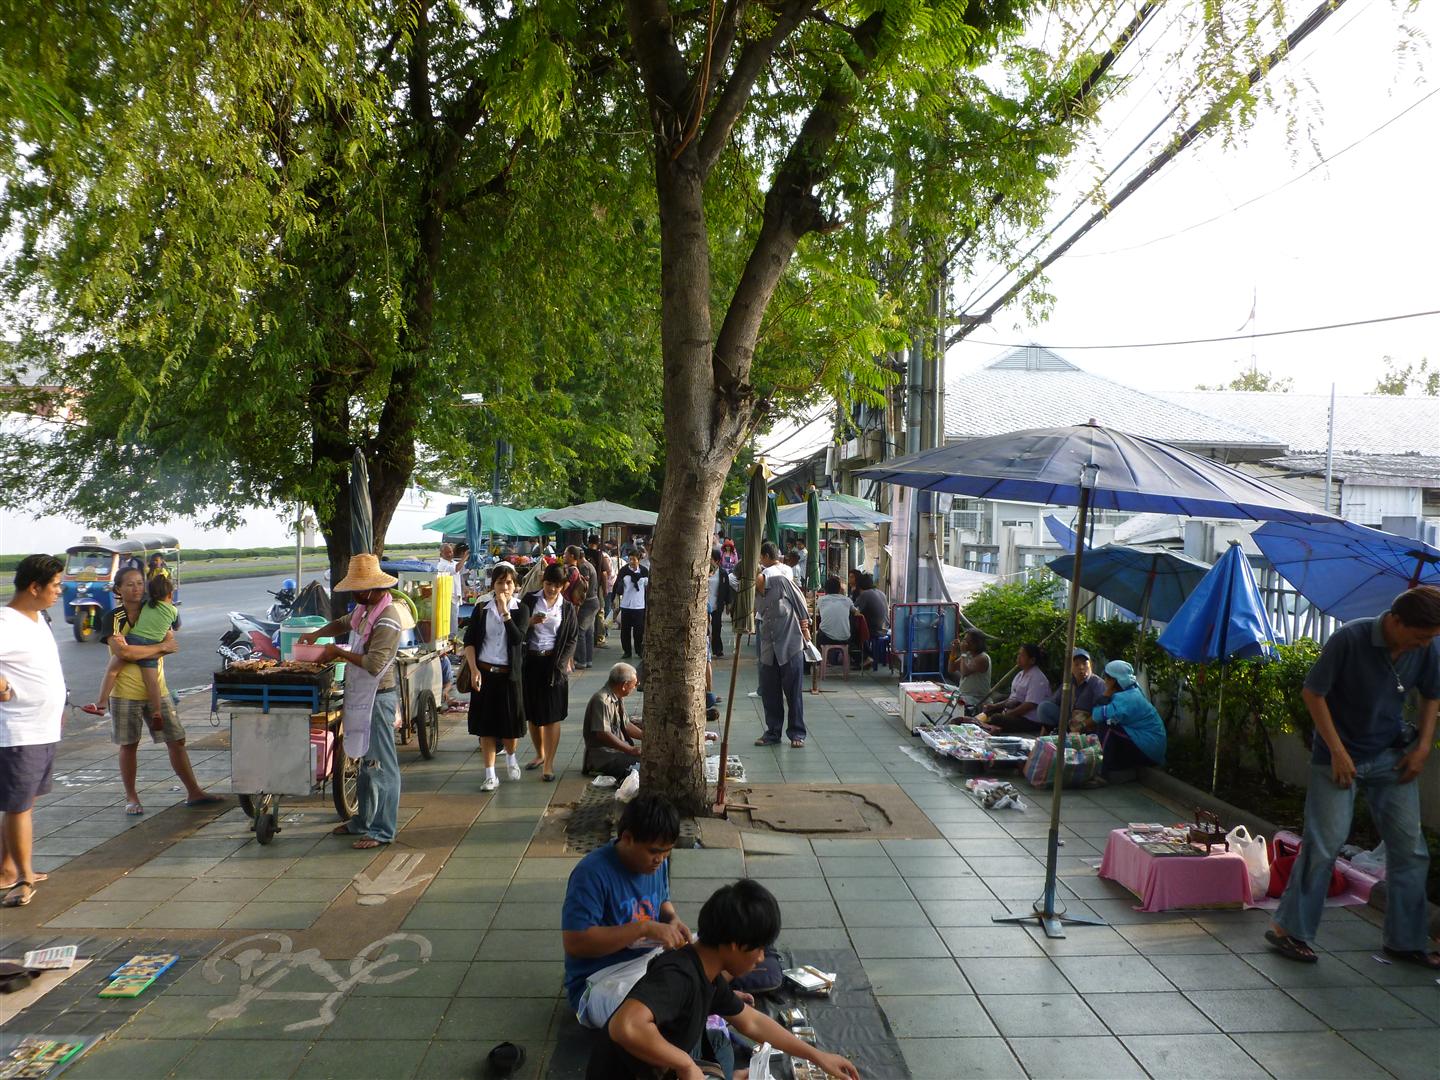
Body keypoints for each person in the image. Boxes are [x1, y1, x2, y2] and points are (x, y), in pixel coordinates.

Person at [1266, 586, 1440, 970]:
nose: (1426, 643)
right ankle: (1288, 931)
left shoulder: (1425, 648)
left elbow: (1432, 695)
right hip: (1337, 758)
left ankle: (1406, 941)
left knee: (1410, 850)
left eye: (1431, 637)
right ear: (1396, 621)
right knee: (1324, 843)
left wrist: (1423, 747)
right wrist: (1338, 751)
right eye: (1421, 635)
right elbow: (1313, 693)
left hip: (1392, 756)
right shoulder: (1350, 638)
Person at [590, 879, 861, 1080]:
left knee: (718, 1051)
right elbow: (625, 1026)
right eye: (758, 948)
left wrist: (817, 1056)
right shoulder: (678, 976)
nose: (761, 958)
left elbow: (752, 1022)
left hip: (658, 1070)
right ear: (733, 944)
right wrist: (686, 1065)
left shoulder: (707, 974)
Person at [301, 555, 404, 849]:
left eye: (357, 589)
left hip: (379, 698)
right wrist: (318, 634)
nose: (353, 594)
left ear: (372, 589)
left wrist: (337, 652)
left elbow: (373, 664)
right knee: (365, 763)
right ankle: (362, 821)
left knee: (382, 766)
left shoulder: (387, 618)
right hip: (362, 695)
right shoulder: (365, 609)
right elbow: (343, 623)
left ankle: (383, 830)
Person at [102, 565, 219, 816]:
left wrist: (151, 648)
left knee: (177, 740)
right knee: (129, 745)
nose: (136, 588)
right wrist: (158, 648)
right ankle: (131, 797)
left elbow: (171, 643)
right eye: (129, 584)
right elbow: (124, 652)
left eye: (139, 583)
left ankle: (194, 791)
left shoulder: (154, 607)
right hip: (125, 692)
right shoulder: (114, 617)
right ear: (118, 589)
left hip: (158, 689)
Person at [563, 794, 691, 1017]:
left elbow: (662, 900)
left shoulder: (656, 862)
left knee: (710, 950)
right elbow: (575, 943)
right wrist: (643, 928)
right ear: (627, 838)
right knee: (642, 1015)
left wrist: (672, 920)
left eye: (667, 851)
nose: (660, 859)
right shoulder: (591, 873)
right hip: (601, 978)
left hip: (650, 960)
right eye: (654, 851)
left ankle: (714, 1003)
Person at [0, 555, 66, 908]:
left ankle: (6, 870)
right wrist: (3, 686)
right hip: (19, 730)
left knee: (24, 803)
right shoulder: (6, 622)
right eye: (55, 585)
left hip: (43, 727)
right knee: (19, 807)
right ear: (34, 587)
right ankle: (23, 877)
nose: (60, 590)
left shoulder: (38, 618)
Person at [464, 562, 527, 793]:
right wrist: (474, 669)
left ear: (515, 585)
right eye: (500, 582)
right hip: (485, 672)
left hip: (509, 676)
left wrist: (505, 613)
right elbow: (469, 641)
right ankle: (490, 774)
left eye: (509, 582)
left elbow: (517, 639)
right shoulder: (482, 608)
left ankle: (511, 756)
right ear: (493, 585)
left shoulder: (521, 609)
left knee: (510, 726)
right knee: (486, 727)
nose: (504, 587)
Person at [521, 562, 579, 782]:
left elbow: (572, 638)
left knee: (552, 715)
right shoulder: (529, 600)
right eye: (548, 584)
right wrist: (529, 622)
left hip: (554, 663)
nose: (551, 589)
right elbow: (515, 627)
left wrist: (561, 663)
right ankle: (539, 754)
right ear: (542, 581)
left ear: (563, 586)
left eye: (556, 585)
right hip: (531, 661)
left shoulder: (567, 608)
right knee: (533, 713)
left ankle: (549, 765)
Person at [1069, 659, 1166, 782]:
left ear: (1113, 680)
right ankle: (1111, 766)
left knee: (1107, 726)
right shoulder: (1131, 691)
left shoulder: (1128, 697)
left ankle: (1100, 773)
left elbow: (1099, 715)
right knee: (1105, 726)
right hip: (1145, 746)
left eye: (1106, 678)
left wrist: (1080, 726)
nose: (1104, 681)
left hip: (1149, 750)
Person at [754, 541, 811, 748]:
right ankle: (772, 732)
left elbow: (801, 603)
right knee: (770, 692)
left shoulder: (780, 581)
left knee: (793, 692)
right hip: (768, 647)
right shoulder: (754, 592)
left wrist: (805, 628)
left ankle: (797, 733)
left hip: (790, 643)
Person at [583, 662, 645, 779]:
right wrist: (630, 750)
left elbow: (626, 725)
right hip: (604, 756)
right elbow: (603, 734)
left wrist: (646, 737)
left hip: (616, 752)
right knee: (644, 765)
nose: (635, 687)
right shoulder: (601, 700)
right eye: (635, 684)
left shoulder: (617, 696)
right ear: (624, 685)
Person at [977, 643, 1052, 733]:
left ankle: (985, 727)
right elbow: (1013, 698)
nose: (1018, 657)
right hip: (1016, 712)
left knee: (997, 718)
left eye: (1022, 655)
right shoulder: (1020, 675)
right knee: (992, 707)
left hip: (1030, 720)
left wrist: (1009, 714)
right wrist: (995, 706)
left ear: (1032, 660)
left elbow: (1029, 705)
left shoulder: (1037, 678)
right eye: (1018, 654)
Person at [1036, 647, 1105, 731]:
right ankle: (1060, 732)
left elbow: (1101, 712)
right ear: (1070, 668)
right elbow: (1054, 701)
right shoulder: (1068, 682)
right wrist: (1044, 730)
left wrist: (1083, 724)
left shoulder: (1098, 683)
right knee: (1044, 707)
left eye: (1085, 663)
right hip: (1069, 721)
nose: (1081, 667)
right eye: (1076, 664)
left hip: (1087, 724)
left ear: (1090, 665)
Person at [565, 545, 601, 670]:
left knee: (580, 631)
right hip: (593, 602)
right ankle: (588, 660)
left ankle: (581, 660)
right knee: (588, 632)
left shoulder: (584, 567)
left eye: (566, 554)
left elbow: (583, 587)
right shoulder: (588, 565)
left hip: (588, 603)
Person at [613, 548, 649, 660]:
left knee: (638, 631)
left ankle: (639, 650)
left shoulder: (644, 571)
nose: (632, 562)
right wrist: (614, 598)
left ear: (638, 560)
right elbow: (617, 585)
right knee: (625, 631)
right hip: (626, 604)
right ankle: (627, 651)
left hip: (639, 605)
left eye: (634, 559)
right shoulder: (624, 571)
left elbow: (648, 586)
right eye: (630, 559)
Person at [947, 628, 992, 708]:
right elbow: (951, 669)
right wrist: (953, 651)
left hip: (976, 698)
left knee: (949, 700)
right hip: (963, 693)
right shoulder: (968, 655)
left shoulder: (982, 658)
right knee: (939, 686)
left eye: (967, 641)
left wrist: (963, 653)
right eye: (964, 640)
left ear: (976, 643)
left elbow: (964, 672)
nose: (964, 643)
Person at [852, 572, 889, 669]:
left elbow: (853, 610)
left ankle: (867, 657)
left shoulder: (865, 594)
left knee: (852, 633)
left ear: (859, 585)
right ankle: (869, 657)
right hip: (886, 627)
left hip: (876, 630)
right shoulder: (881, 593)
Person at [707, 550, 732, 659]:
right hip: (706, 604)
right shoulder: (704, 571)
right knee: (705, 629)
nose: (709, 561)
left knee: (717, 627)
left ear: (717, 561)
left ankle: (717, 649)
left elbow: (727, 590)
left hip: (717, 604)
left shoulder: (722, 573)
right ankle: (705, 649)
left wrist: (728, 603)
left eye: (711, 559)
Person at [815, 576, 852, 647]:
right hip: (845, 638)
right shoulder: (847, 600)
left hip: (826, 638)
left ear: (825, 589)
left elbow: (817, 612)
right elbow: (856, 611)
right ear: (839, 589)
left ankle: (820, 653)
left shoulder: (821, 600)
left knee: (816, 633)